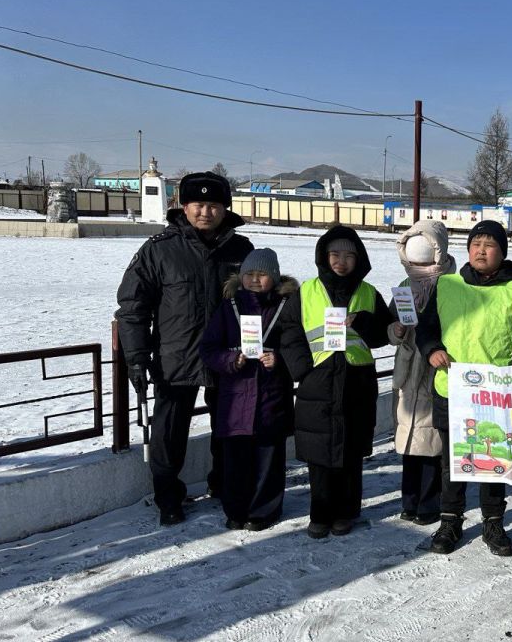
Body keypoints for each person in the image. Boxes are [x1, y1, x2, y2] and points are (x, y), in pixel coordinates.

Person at [116, 171, 254, 526]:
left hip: (229, 357)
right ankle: (168, 497)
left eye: (213, 205)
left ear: (225, 208)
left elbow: (260, 303)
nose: (205, 212)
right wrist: (136, 357)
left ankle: (225, 486)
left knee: (229, 428)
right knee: (168, 434)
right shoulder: (159, 249)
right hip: (175, 358)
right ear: (184, 206)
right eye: (198, 204)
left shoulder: (242, 250)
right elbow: (133, 307)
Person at [416, 220, 512, 556]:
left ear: (502, 252)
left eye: (489, 245)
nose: (481, 250)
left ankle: (493, 522)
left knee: (493, 458)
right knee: (452, 462)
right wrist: (432, 350)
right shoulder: (447, 285)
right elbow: (426, 329)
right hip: (451, 387)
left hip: (495, 393)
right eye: (475, 244)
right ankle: (450, 520)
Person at [278, 226, 394, 539]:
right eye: (334, 254)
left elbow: (384, 333)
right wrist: (303, 369)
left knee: (350, 453)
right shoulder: (307, 291)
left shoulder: (369, 293)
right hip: (319, 382)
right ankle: (320, 513)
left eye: (348, 255)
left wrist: (364, 322)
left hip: (357, 381)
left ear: (359, 259)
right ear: (323, 257)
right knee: (320, 455)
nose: (341, 261)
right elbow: (289, 332)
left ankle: (346, 512)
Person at [199, 248, 296, 531]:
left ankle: (264, 511)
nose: (255, 280)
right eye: (249, 274)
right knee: (235, 462)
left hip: (271, 397)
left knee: (269, 460)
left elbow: (297, 346)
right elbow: (208, 348)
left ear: (274, 278)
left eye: (262, 274)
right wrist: (231, 360)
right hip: (235, 401)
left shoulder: (286, 306)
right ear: (240, 277)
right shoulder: (228, 307)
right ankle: (236, 510)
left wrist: (278, 359)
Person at [389, 220, 456, 526]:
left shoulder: (452, 286)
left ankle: (429, 503)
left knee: (432, 441)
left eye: (424, 261)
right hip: (407, 370)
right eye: (412, 262)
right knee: (409, 437)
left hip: (435, 367)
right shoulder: (405, 288)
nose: (418, 267)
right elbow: (390, 328)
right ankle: (409, 500)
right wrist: (397, 329)